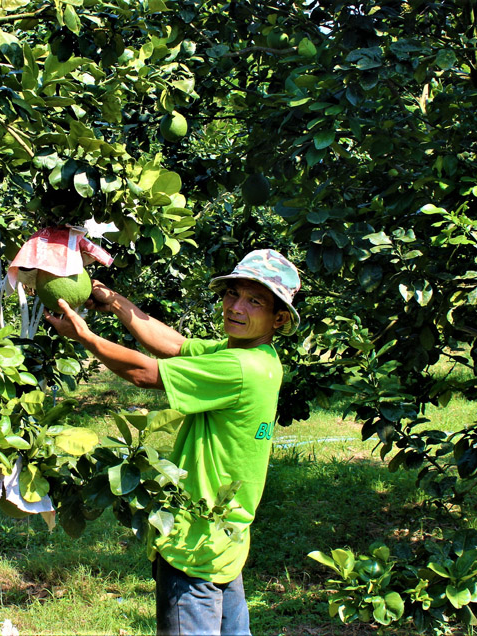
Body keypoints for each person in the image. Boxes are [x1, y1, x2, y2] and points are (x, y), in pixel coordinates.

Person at [44, 248, 301, 636]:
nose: (236, 307)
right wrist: (113, 301)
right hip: (225, 538)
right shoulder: (253, 355)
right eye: (233, 294)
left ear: (279, 318)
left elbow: (147, 373)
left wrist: (86, 337)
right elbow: (175, 345)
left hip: (194, 541)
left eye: (255, 301)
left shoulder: (240, 367)